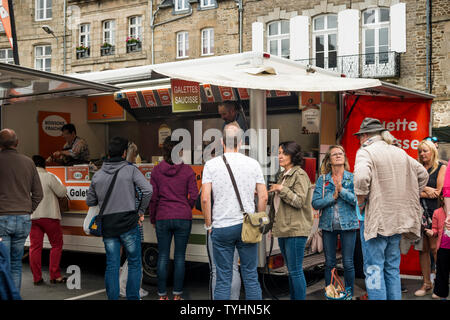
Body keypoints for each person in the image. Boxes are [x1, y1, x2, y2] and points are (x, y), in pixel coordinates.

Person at [353, 118, 429, 300]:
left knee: (373, 269)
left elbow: (361, 179)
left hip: (376, 221)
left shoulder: (366, 151)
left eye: (359, 137)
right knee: (392, 268)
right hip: (396, 221)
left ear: (364, 135)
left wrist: (362, 203)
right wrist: (407, 195)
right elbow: (423, 174)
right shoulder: (399, 152)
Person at [201, 122, 268, 300]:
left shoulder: (211, 165)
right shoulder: (253, 164)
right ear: (240, 142)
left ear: (222, 142)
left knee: (223, 278)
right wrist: (258, 223)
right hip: (247, 226)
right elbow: (263, 197)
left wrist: (209, 226)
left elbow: (205, 198)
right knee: (251, 276)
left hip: (221, 227)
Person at [86, 136, 152, 300]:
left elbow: (90, 201)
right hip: (129, 223)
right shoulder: (130, 170)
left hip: (108, 226)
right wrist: (140, 211)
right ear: (124, 153)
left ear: (108, 154)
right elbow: (148, 190)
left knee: (112, 265)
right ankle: (132, 297)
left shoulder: (98, 175)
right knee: (135, 263)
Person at [149, 136, 199, 300]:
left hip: (163, 216)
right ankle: (177, 295)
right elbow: (193, 195)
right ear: (180, 152)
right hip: (183, 217)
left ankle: (162, 295)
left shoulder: (156, 170)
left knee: (163, 256)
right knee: (179, 257)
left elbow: (153, 197)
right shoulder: (187, 170)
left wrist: (153, 218)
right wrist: (186, 207)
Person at [267, 141, 313, 300]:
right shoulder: (283, 176)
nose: (279, 156)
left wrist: (281, 189)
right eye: (279, 152)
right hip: (284, 228)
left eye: (284, 153)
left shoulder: (299, 174)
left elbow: (299, 201)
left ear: (293, 156)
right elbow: (278, 204)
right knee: (291, 271)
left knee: (295, 271)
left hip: (295, 229)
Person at [195, 147, 242, 300]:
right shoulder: (237, 173)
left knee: (216, 270)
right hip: (236, 224)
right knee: (233, 268)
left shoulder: (210, 174)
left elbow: (201, 201)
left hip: (217, 226)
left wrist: (209, 225)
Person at [312, 145, 359, 297]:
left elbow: (357, 201)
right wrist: (332, 198)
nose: (338, 156)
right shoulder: (323, 179)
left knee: (348, 263)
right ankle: (331, 294)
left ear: (344, 158)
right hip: (328, 226)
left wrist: (342, 191)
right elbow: (316, 203)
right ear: (329, 160)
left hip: (349, 225)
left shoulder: (352, 178)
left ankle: (349, 294)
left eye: (341, 153)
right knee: (330, 263)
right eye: (334, 154)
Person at [0, 129, 43, 292]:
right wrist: (28, 209)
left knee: (3, 262)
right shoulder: (28, 162)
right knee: (16, 264)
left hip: (2, 218)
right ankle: (14, 295)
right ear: (17, 143)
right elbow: (39, 193)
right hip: (23, 219)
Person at [29, 155, 68, 285]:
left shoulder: (27, 179)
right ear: (44, 165)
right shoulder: (49, 176)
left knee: (35, 247)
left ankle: (37, 278)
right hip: (50, 216)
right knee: (56, 245)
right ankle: (55, 275)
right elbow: (62, 192)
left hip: (33, 217)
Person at [415, 139, 447, 296]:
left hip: (436, 213)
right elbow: (411, 191)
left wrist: (421, 190)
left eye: (425, 150)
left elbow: (439, 193)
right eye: (420, 151)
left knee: (436, 249)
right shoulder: (417, 168)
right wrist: (426, 189)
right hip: (419, 213)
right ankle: (426, 283)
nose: (422, 154)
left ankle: (440, 286)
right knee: (423, 249)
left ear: (432, 151)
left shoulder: (442, 167)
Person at [119, 142, 148, 298]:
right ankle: (130, 287)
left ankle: (119, 285)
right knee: (134, 255)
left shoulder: (113, 170)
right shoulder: (134, 171)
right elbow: (144, 191)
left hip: (117, 217)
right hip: (132, 217)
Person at [430, 196, 450, 300]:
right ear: (442, 198)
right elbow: (435, 229)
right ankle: (440, 292)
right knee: (442, 270)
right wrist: (432, 232)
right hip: (443, 247)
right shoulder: (437, 212)